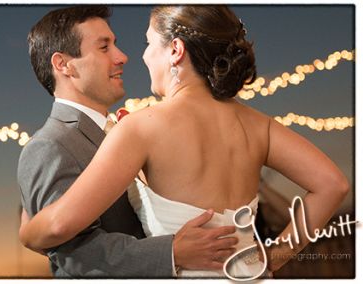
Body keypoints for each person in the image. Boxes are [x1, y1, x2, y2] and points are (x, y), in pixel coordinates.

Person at [19, 5, 350, 278]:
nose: (138, 57)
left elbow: (60, 224)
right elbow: (333, 184)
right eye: (106, 47)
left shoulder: (140, 127)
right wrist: (275, 257)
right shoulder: (258, 124)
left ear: (175, 50)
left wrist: (28, 233)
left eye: (149, 44)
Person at [17, 5, 240, 278]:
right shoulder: (49, 146)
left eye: (115, 45)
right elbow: (74, 254)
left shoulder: (129, 128)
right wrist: (171, 253)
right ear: (63, 65)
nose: (122, 57)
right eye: (103, 47)